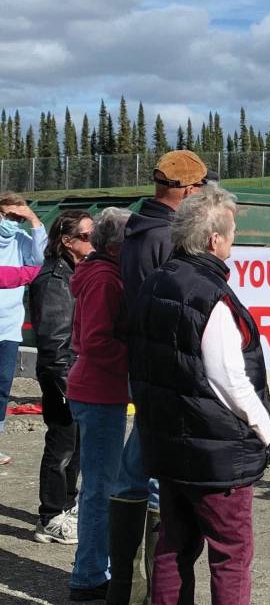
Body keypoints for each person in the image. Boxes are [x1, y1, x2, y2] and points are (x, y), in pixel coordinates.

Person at [127, 185, 270, 605]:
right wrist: (263, 427)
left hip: (169, 440)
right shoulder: (211, 296)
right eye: (233, 232)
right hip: (215, 451)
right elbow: (228, 378)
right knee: (231, 552)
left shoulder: (155, 282)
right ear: (215, 239)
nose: (234, 240)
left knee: (174, 544)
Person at [110, 149, 208, 605]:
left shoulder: (137, 230)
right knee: (152, 472)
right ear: (187, 190)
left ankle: (125, 588)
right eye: (201, 188)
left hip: (142, 361)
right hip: (165, 365)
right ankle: (151, 592)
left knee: (136, 466)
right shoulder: (167, 237)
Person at [66, 207, 133, 602]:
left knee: (100, 484)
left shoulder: (99, 275)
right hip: (99, 392)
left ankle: (92, 571)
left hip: (96, 391)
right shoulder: (106, 280)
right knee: (100, 488)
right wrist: (138, 354)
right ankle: (90, 575)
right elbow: (97, 341)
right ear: (117, 244)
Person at [29, 209, 94, 544]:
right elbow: (54, 342)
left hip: (74, 374)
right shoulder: (54, 278)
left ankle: (65, 506)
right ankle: (50, 515)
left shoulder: (73, 272)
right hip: (62, 376)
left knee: (76, 446)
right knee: (62, 447)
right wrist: (69, 386)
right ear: (67, 241)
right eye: (85, 236)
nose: (92, 240)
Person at [0, 193, 47, 465]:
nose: (13, 222)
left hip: (8, 328)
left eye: (18, 218)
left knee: (3, 387)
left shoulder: (21, 239)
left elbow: (41, 258)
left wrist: (33, 220)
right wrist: (25, 275)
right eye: (9, 216)